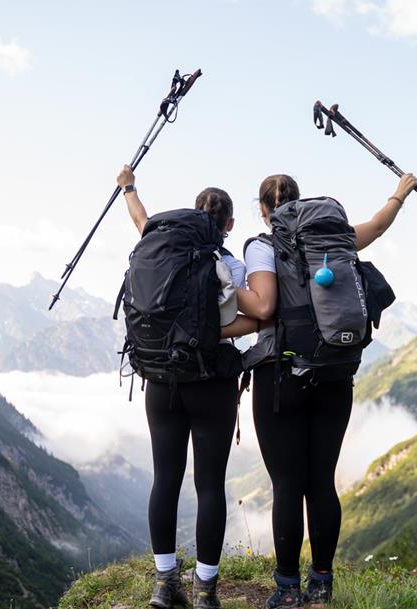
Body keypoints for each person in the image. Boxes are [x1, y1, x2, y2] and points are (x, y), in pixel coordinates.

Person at [235, 172, 417, 608]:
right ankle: (322, 584)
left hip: (281, 378)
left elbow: (265, 307)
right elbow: (377, 223)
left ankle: (286, 589)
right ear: (300, 205)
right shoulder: (335, 240)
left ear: (263, 210)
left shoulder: (262, 247)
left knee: (286, 485)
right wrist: (400, 192)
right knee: (321, 482)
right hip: (336, 376)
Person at [116, 165, 259, 609]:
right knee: (210, 485)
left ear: (192, 215)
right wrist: (214, 331)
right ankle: (205, 593)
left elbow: (141, 219)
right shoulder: (228, 264)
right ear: (228, 225)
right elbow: (261, 311)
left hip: (160, 381)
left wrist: (129, 188)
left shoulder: (158, 246)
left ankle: (163, 586)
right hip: (210, 383)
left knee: (165, 480)